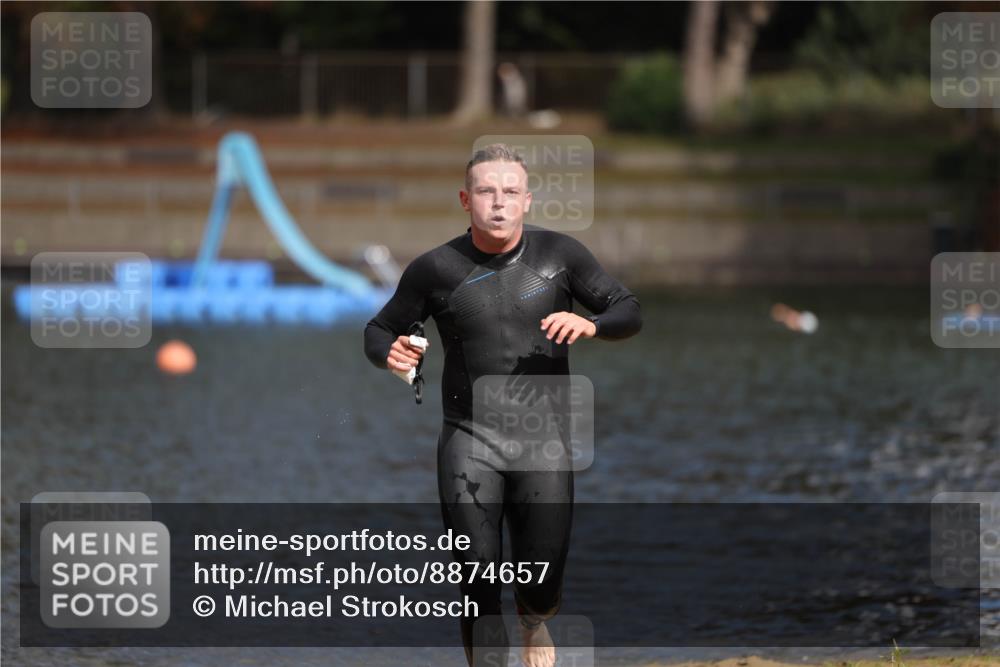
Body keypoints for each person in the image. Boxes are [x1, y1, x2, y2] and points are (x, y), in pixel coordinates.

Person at [363, 143, 641, 667]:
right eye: (487, 191)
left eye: (510, 191)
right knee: (476, 575)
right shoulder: (435, 269)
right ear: (465, 199)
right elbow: (379, 329)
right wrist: (391, 355)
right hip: (469, 439)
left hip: (546, 441)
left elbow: (628, 308)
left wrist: (593, 324)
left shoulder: (562, 257)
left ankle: (534, 621)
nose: (498, 202)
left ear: (527, 200)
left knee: (541, 581)